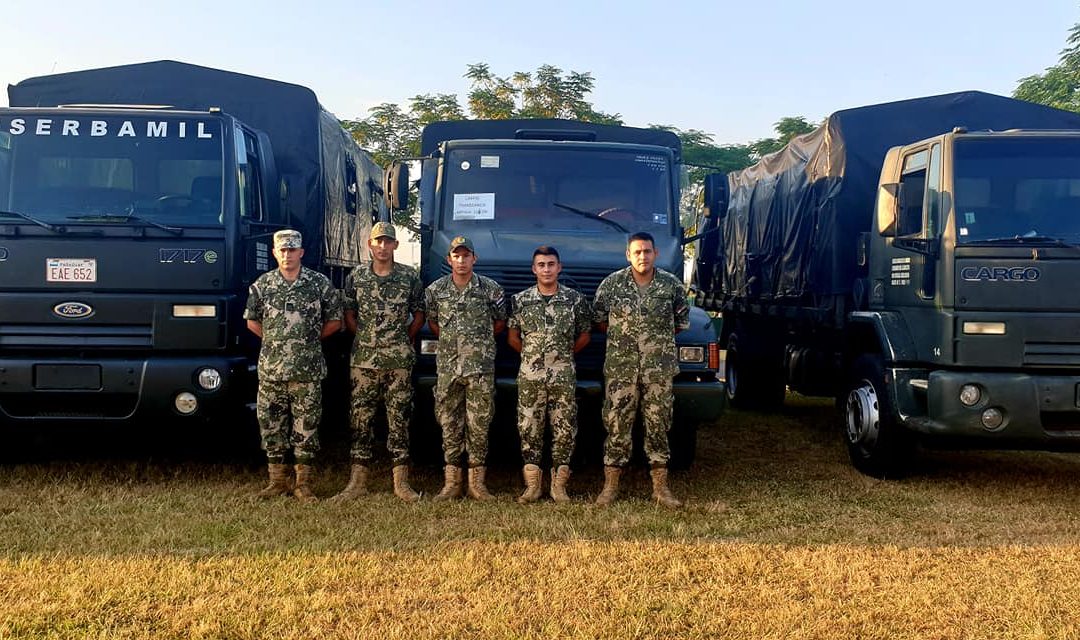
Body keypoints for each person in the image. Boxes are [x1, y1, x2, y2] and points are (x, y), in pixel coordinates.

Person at [244, 229, 342, 503]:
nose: (287, 255)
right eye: (282, 250)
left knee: (306, 426)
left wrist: (305, 340)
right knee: (271, 425)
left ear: (301, 252)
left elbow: (335, 321)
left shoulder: (318, 284)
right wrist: (278, 342)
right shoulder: (262, 285)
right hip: (272, 371)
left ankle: (303, 484)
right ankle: (277, 482)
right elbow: (252, 321)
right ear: (275, 253)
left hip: (307, 371)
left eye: (292, 250)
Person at [593, 231, 689, 508]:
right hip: (621, 370)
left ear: (655, 254)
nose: (642, 256)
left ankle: (660, 489)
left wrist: (652, 345)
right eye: (637, 252)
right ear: (628, 255)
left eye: (647, 251)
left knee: (658, 425)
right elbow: (600, 321)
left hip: (658, 371)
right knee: (616, 425)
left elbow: (680, 323)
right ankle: (610, 488)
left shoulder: (670, 286)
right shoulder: (612, 285)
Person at [333, 221, 425, 502]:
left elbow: (419, 313)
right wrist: (362, 337)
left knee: (399, 419)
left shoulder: (409, 277)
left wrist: (403, 338)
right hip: (364, 361)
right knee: (361, 419)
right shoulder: (357, 277)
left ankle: (401, 483)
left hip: (398, 360)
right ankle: (357, 482)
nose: (383, 247)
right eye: (378, 242)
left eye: (388, 242)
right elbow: (349, 312)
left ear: (396, 245)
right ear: (369, 245)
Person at [507, 246, 591, 504]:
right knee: (529, 427)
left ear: (559, 267)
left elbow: (585, 335)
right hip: (530, 378)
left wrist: (561, 357)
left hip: (563, 376)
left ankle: (559, 487)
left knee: (564, 428)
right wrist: (534, 360)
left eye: (551, 264)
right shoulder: (520, 301)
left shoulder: (575, 300)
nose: (546, 269)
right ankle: (532, 486)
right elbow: (512, 338)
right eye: (541, 264)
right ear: (534, 269)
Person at [425, 235, 506, 500]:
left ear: (474, 258)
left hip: (479, 369)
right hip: (448, 369)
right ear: (449, 260)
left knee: (479, 424)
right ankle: (452, 483)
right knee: (449, 423)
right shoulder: (435, 291)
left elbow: (499, 323)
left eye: (466, 255)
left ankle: (477, 484)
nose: (461, 261)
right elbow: (434, 324)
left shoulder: (490, 289)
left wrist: (476, 346)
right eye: (456, 256)